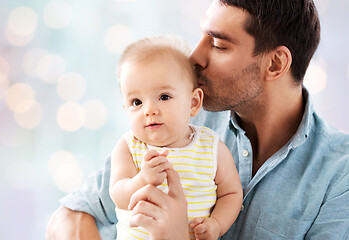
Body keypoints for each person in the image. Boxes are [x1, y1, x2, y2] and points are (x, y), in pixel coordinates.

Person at [46, 0, 349, 239]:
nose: (194, 57)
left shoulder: (339, 174)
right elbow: (69, 218)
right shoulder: (177, 118)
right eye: (201, 36)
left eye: (218, 45)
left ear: (275, 63)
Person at [110, 35, 242, 240]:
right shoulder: (129, 147)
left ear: (193, 102)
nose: (149, 110)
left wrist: (217, 224)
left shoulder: (211, 147)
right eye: (136, 102)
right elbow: (118, 195)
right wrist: (142, 180)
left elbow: (231, 194)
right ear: (125, 109)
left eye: (164, 97)